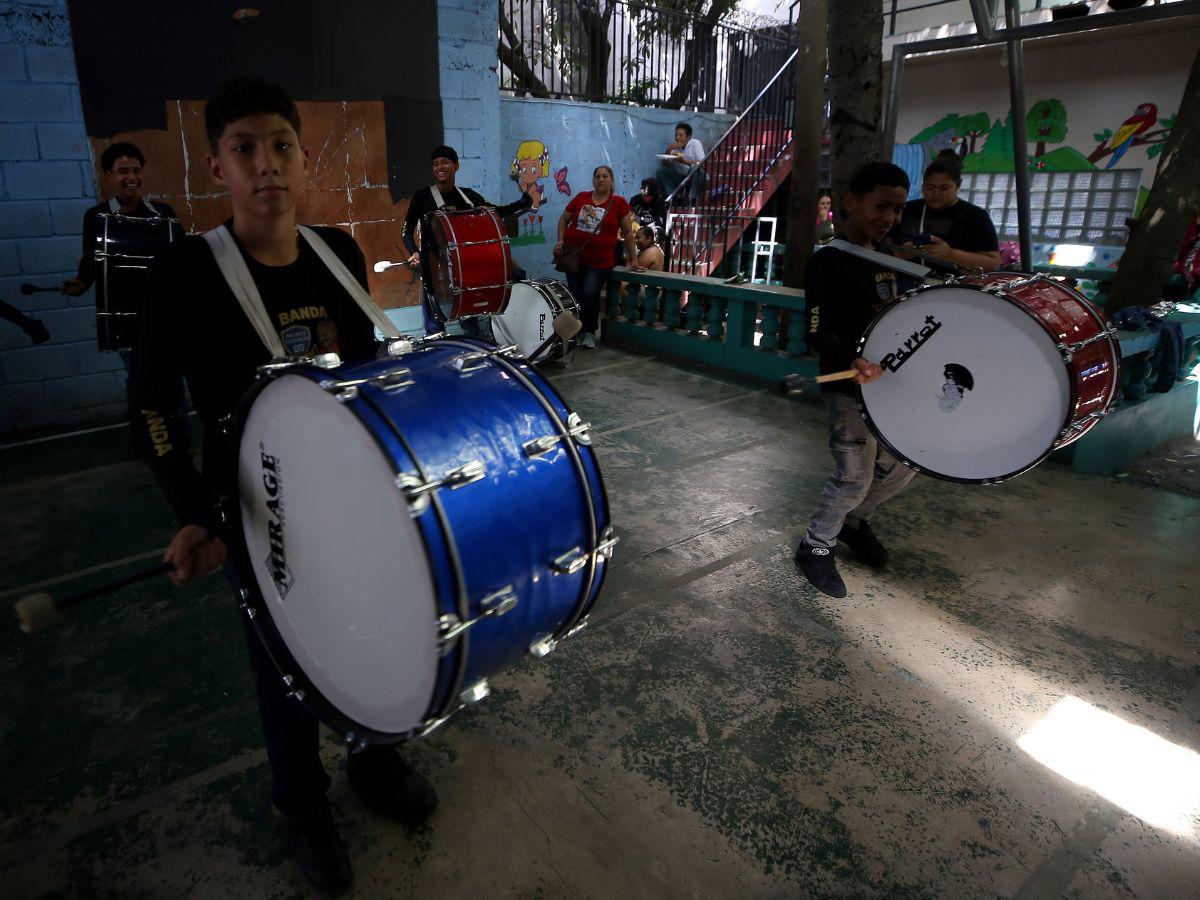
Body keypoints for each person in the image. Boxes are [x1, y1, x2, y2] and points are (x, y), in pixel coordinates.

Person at [134, 76, 436, 894]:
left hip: (351, 495)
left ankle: (375, 758)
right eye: (244, 149)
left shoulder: (336, 253)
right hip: (254, 506)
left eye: (281, 146)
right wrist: (194, 514)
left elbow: (367, 379)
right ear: (218, 167)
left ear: (303, 159)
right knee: (287, 667)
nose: (266, 163)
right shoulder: (185, 270)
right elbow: (152, 407)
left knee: (373, 629)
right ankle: (303, 805)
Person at [794, 161, 919, 599]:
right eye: (881, 206)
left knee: (905, 465)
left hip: (889, 384)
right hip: (847, 384)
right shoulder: (829, 260)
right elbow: (816, 331)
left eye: (898, 209)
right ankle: (815, 546)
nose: (890, 217)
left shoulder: (888, 256)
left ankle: (853, 521)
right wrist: (854, 360)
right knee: (854, 476)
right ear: (851, 201)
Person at [401, 145, 537, 336]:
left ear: (456, 166)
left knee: (469, 312)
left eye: (445, 162)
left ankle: (473, 341)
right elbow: (406, 231)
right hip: (434, 267)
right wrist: (414, 252)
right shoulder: (422, 197)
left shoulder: (468, 197)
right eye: (436, 164)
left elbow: (495, 212)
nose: (440, 167)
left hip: (464, 267)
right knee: (434, 322)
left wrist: (521, 203)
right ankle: (435, 343)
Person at [62, 142, 178, 298]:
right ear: (108, 174)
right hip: (116, 307)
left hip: (160, 305)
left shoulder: (163, 213)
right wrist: (81, 283)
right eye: (123, 171)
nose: (132, 177)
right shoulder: (96, 216)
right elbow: (91, 262)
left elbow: (181, 258)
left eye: (136, 171)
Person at [554, 165, 641, 349]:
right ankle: (576, 332)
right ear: (593, 180)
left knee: (589, 294)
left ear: (611, 180)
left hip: (600, 262)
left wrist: (633, 259)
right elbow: (563, 220)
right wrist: (560, 240)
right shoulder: (581, 197)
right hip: (574, 258)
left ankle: (589, 332)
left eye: (605, 176)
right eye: (598, 176)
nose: (601, 179)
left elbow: (628, 233)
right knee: (576, 297)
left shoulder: (618, 203)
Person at [890, 150, 1000, 271]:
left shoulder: (975, 216)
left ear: (958, 185)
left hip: (950, 281)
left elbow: (993, 263)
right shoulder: (907, 209)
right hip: (903, 277)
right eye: (930, 188)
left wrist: (951, 254)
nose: (936, 194)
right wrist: (901, 252)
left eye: (944, 188)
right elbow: (883, 244)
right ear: (923, 185)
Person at [655, 122, 705, 201]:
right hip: (682, 179)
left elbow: (703, 164)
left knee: (694, 168)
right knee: (661, 170)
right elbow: (665, 165)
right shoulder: (675, 147)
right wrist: (668, 149)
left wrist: (685, 161)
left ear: (688, 136)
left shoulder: (695, 143)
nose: (677, 138)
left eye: (681, 135)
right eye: (676, 135)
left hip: (697, 179)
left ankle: (693, 199)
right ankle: (674, 198)